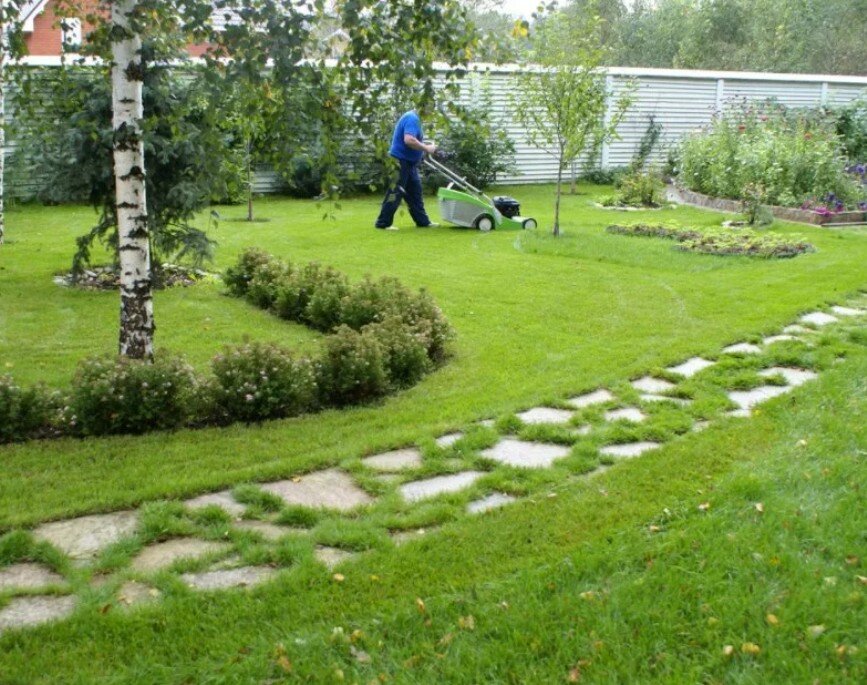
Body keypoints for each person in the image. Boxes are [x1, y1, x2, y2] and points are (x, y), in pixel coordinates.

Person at [374, 106, 440, 230]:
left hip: (409, 164)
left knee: (415, 192)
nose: (431, 112)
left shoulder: (415, 119)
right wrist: (427, 148)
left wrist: (425, 147)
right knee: (395, 192)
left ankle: (423, 222)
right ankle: (383, 223)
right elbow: (409, 140)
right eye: (430, 109)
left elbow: (414, 140)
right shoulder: (412, 118)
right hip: (400, 162)